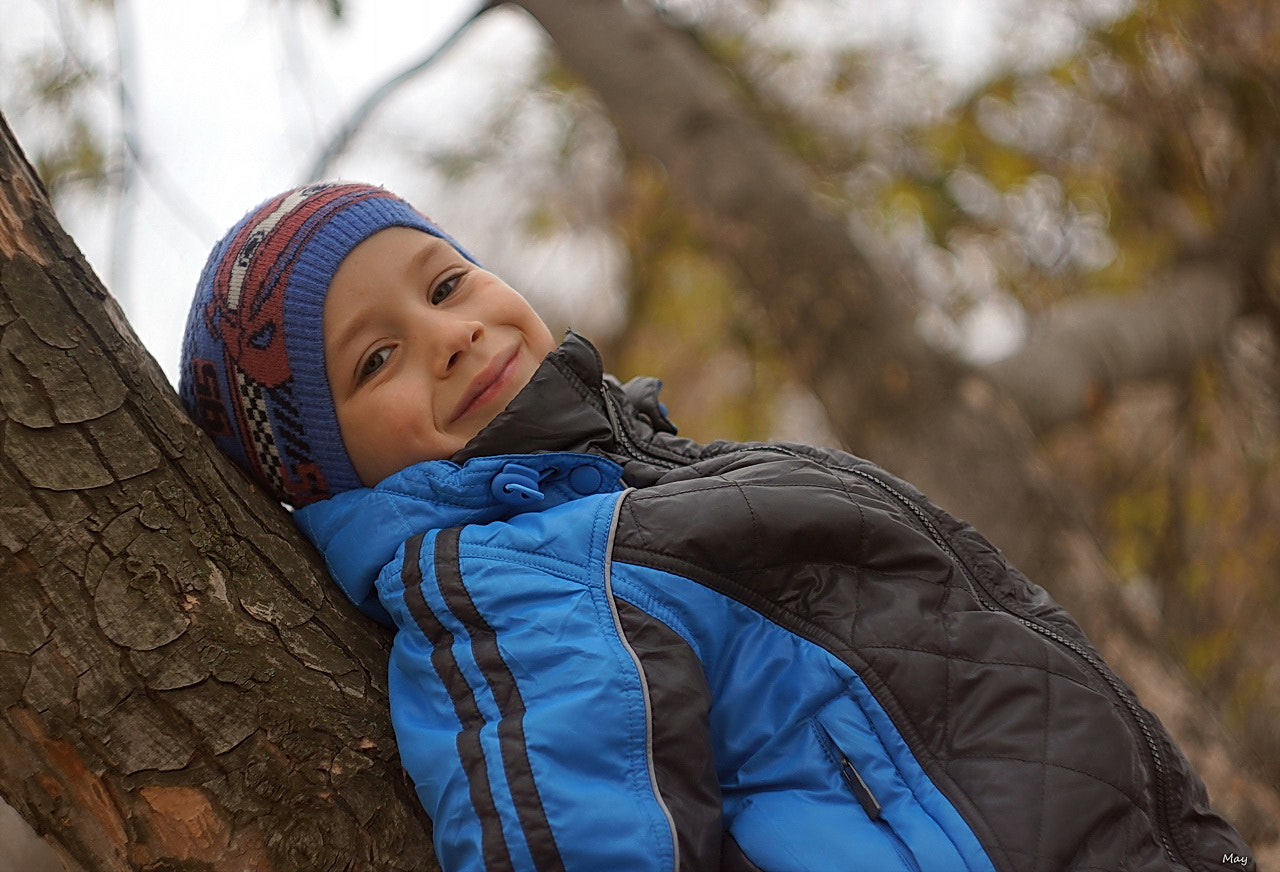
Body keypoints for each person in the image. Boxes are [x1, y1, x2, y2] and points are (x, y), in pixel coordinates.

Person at [179, 181, 1254, 872]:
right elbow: (584, 840)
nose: (448, 336)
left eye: (446, 282)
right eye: (375, 358)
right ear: (327, 475)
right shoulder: (517, 577)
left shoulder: (650, 481)